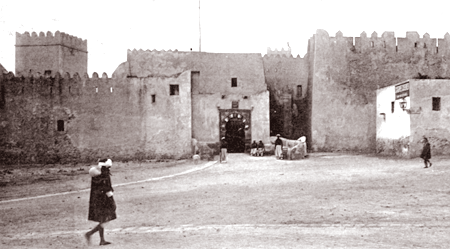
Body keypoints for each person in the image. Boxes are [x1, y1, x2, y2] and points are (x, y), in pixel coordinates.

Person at [85, 158, 117, 246]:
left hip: (96, 199)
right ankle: (90, 234)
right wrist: (112, 200)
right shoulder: (105, 174)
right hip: (104, 199)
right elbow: (107, 188)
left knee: (102, 218)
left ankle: (101, 239)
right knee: (105, 219)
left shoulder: (96, 174)